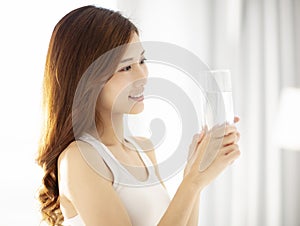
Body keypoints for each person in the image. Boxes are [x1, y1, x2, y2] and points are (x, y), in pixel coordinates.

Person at [36, 5, 241, 226]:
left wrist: (194, 174)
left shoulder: (143, 149)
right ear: (87, 78)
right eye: (126, 68)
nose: (143, 76)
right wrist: (192, 182)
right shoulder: (79, 158)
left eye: (142, 61)